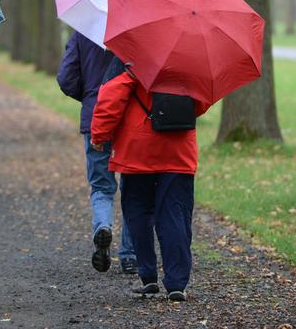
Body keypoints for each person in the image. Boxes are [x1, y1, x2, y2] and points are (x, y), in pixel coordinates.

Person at [89, 62, 210, 301]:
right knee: (175, 214)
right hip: (178, 150)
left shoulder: (130, 61)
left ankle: (148, 276)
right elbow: (201, 102)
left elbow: (110, 100)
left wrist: (99, 136)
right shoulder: (186, 62)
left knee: (138, 212)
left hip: (138, 151)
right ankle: (177, 284)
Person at [57, 31, 137, 274]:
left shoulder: (83, 32)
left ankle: (103, 226)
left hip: (94, 117)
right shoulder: (133, 31)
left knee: (101, 186)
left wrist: (91, 95)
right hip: (129, 119)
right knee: (133, 187)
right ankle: (130, 255)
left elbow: (66, 78)